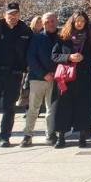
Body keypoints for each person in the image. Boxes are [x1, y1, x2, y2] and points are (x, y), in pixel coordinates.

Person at [0, 3, 33, 148]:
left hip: (13, 74)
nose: (13, 17)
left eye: (15, 14)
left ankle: (4, 137)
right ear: (5, 15)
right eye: (10, 14)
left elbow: (29, 52)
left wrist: (23, 68)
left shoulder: (25, 32)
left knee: (9, 108)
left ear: (19, 15)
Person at [51, 11, 91, 148]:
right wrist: (69, 57)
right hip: (66, 78)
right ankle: (61, 137)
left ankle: (82, 137)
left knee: (83, 107)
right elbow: (54, 56)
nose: (80, 23)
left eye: (82, 21)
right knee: (63, 107)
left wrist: (84, 58)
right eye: (77, 21)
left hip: (84, 77)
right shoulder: (63, 37)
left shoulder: (90, 38)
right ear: (72, 22)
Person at [22, 12, 59, 147]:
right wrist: (44, 74)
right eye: (47, 21)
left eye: (53, 21)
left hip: (56, 78)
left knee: (52, 109)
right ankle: (28, 135)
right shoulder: (36, 38)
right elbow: (31, 58)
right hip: (38, 78)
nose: (50, 23)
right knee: (33, 108)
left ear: (57, 21)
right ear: (43, 23)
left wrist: (56, 74)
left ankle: (50, 134)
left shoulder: (61, 37)